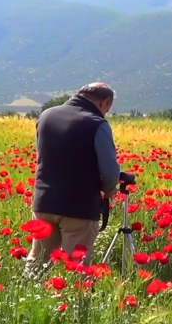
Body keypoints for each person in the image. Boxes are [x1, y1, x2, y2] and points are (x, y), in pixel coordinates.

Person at [23, 82, 121, 280]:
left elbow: (44, 155)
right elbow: (110, 171)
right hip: (79, 208)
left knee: (38, 259)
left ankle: (27, 300)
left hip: (44, 201)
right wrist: (110, 189)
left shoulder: (46, 116)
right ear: (105, 102)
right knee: (76, 265)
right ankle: (73, 308)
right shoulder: (97, 124)